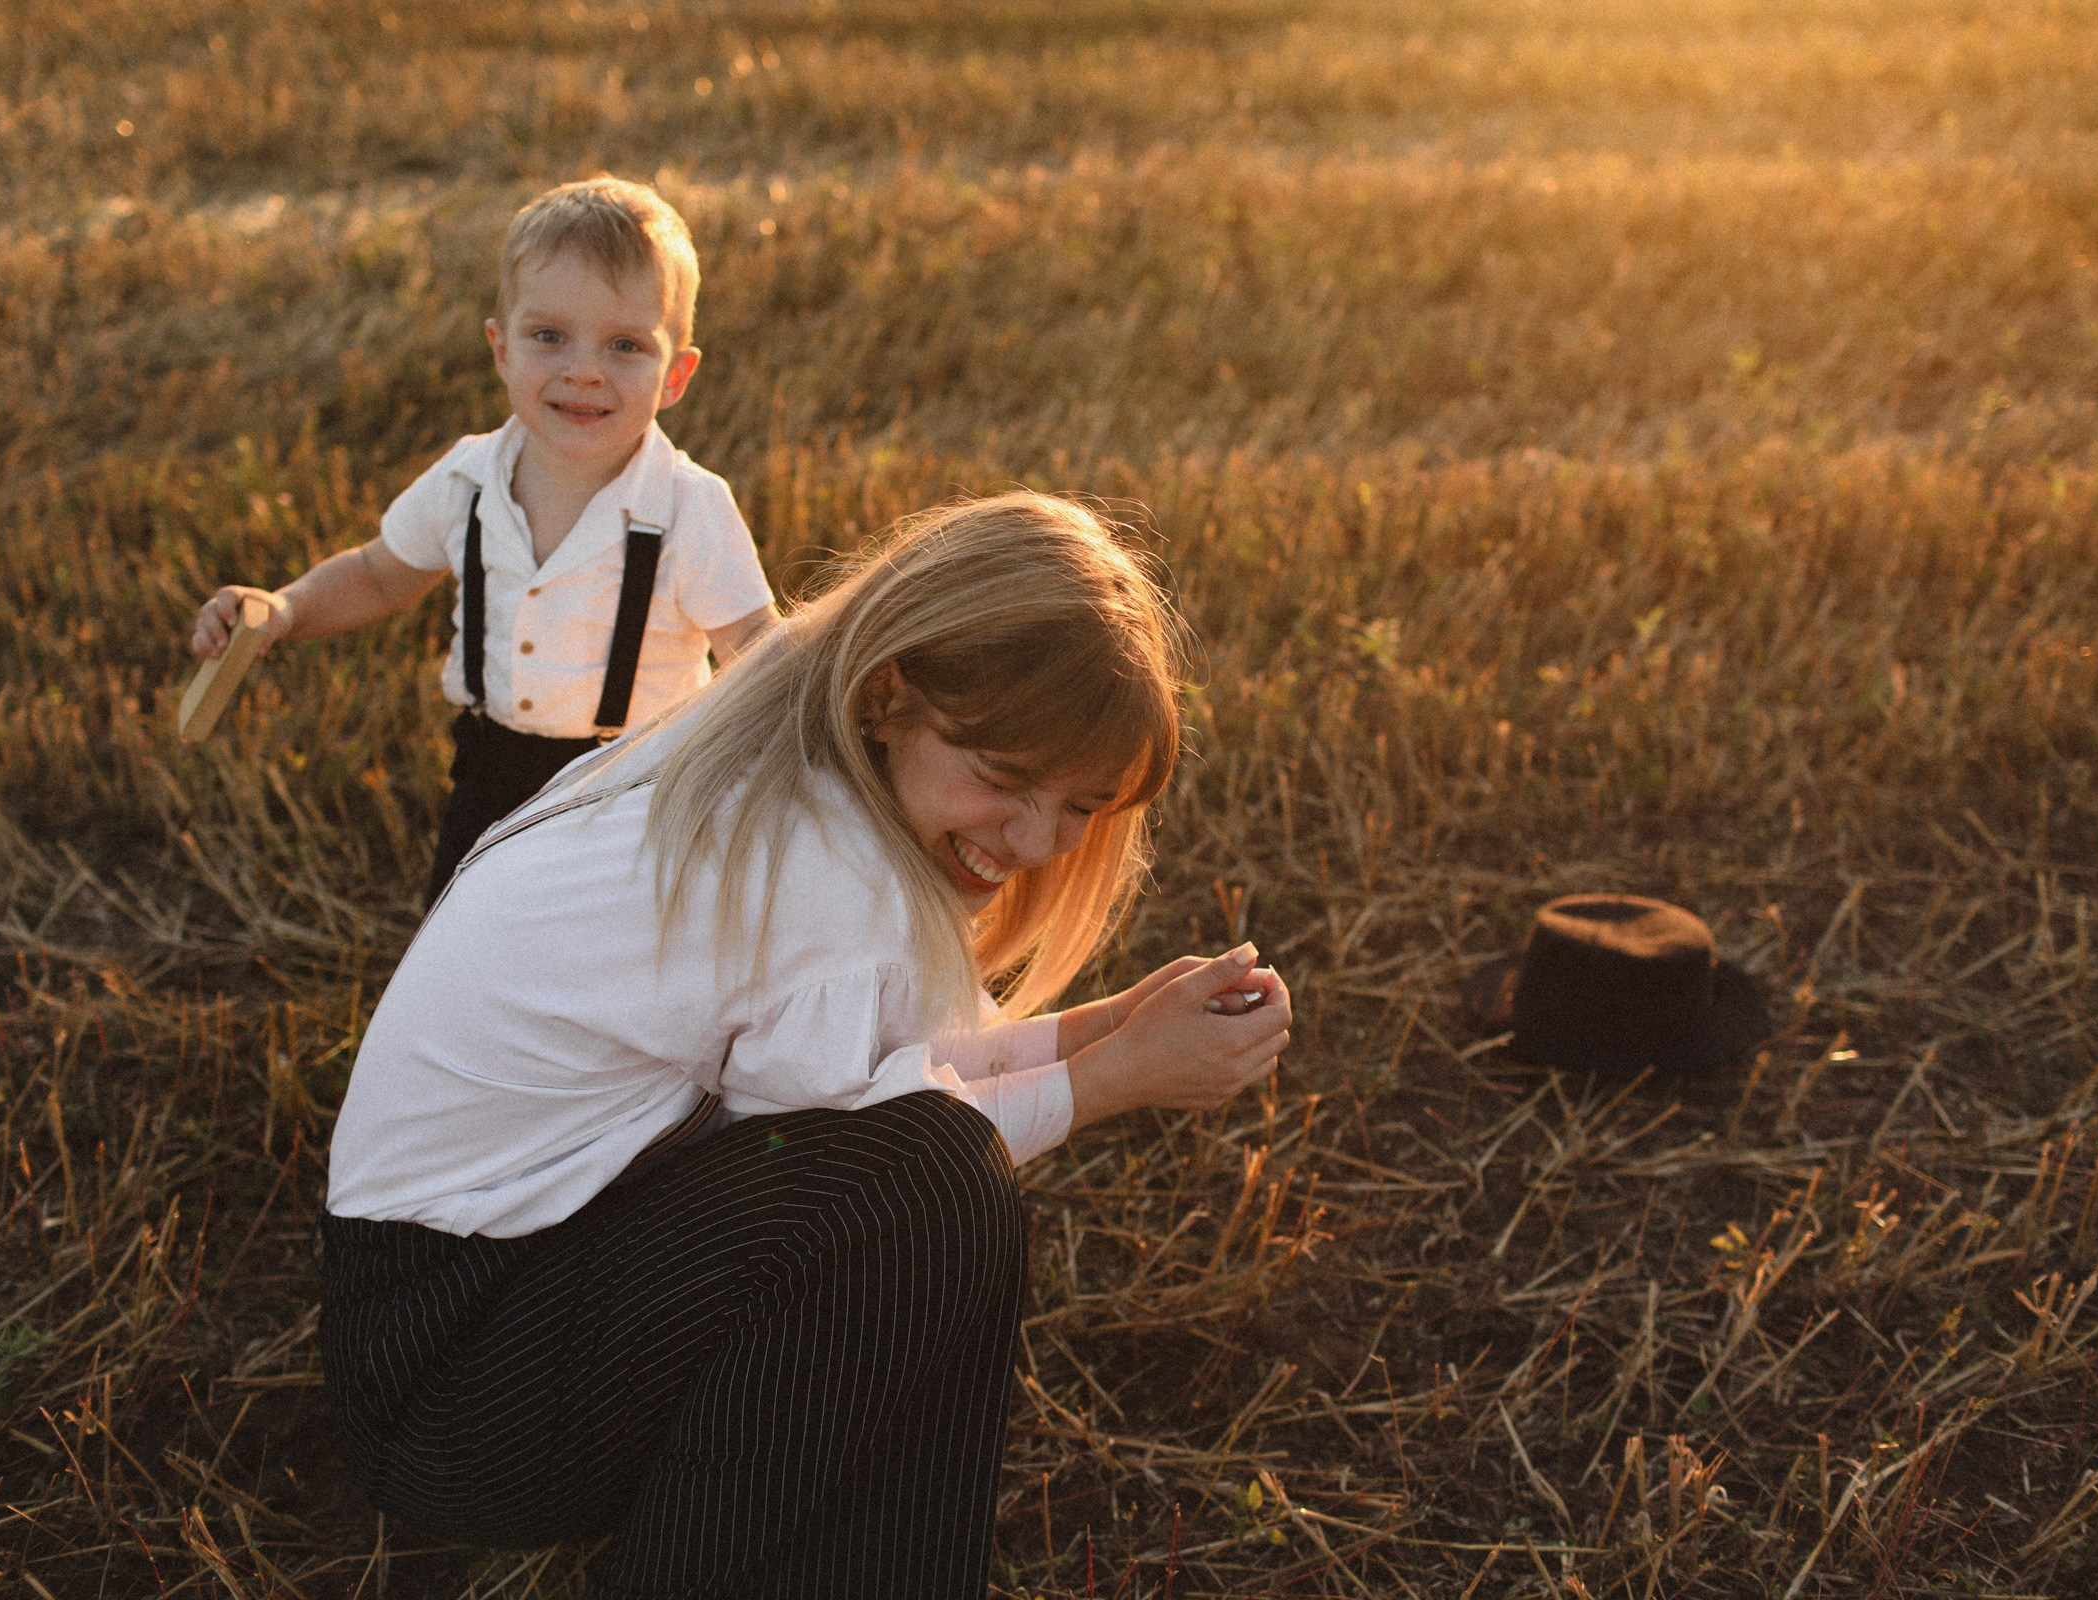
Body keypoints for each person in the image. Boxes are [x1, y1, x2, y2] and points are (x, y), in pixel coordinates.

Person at [318, 492, 1293, 1599]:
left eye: (1079, 805)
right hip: (454, 1384)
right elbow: (872, 1168)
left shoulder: (792, 769)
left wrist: (1102, 1028)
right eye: (1004, 780)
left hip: (452, 1313)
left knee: (936, 1183)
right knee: (936, 1195)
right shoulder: (817, 872)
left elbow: (885, 1080)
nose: (1034, 842)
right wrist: (1111, 1081)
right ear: (891, 697)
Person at [189, 175, 777, 904]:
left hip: (633, 789)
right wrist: (285, 608)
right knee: (463, 937)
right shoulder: (468, 478)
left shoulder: (689, 508)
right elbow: (379, 575)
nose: (583, 370)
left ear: (676, 375)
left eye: (625, 345)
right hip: (489, 767)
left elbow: (755, 645)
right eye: (549, 336)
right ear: (501, 349)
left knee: (610, 971)